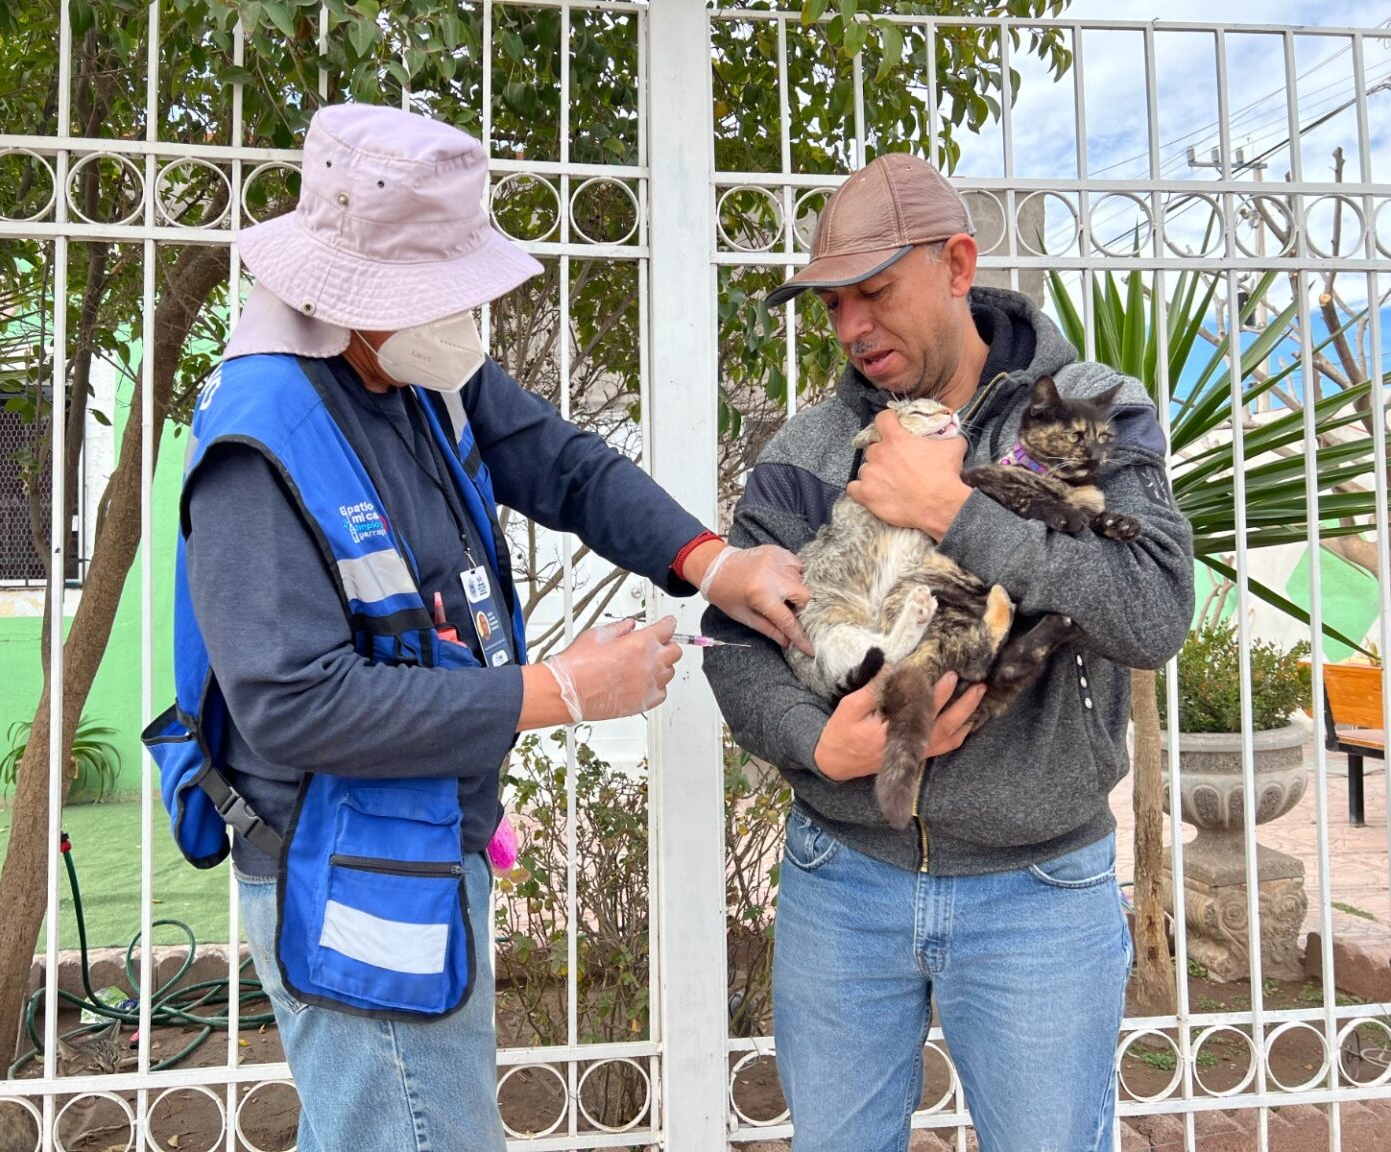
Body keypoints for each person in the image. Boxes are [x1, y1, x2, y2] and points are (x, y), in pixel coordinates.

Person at [144, 103, 811, 1152]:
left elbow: (565, 464)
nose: (462, 315)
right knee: (413, 1129)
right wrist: (563, 693)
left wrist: (710, 562)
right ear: (351, 293)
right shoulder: (259, 442)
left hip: (416, 837)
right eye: (437, 291)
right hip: (340, 861)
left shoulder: (418, 375)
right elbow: (291, 705)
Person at [701, 153, 1195, 1150]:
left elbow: (1153, 616)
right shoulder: (806, 449)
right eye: (832, 304)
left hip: (1036, 888)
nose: (849, 329)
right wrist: (815, 741)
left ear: (959, 264)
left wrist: (955, 510)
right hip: (841, 876)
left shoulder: (1082, 410)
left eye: (874, 293)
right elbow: (732, 642)